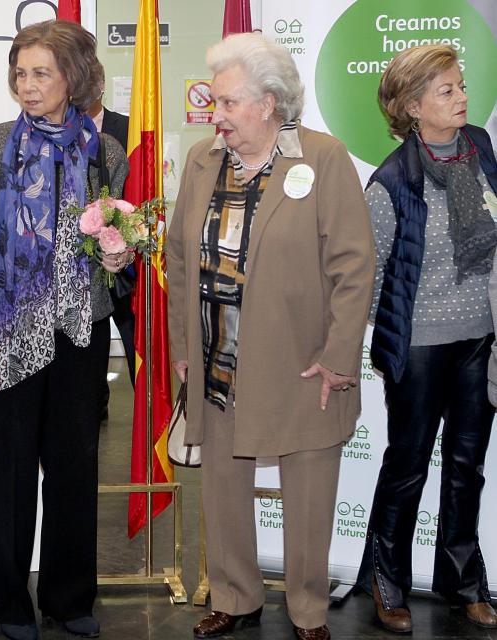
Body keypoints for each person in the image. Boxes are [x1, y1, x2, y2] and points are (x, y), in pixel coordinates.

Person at [167, 33, 374, 640]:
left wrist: (339, 357)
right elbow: (181, 261)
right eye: (215, 102)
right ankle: (235, 595)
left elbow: (353, 266)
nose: (217, 115)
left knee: (309, 490)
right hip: (219, 358)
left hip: (303, 363)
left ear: (270, 103)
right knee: (224, 487)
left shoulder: (321, 159)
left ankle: (308, 610)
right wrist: (185, 349)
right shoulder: (204, 161)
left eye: (229, 103)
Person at [0, 19, 129, 640]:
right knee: (9, 471)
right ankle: (9, 604)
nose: (27, 86)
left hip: (81, 332)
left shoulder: (106, 150)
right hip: (8, 331)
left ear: (73, 78)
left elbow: (120, 238)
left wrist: (118, 257)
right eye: (20, 74)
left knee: (76, 469)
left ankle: (69, 598)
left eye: (41, 74)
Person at [356, 44, 497, 633]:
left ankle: (463, 579)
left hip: (481, 339)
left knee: (467, 465)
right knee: (409, 464)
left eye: (461, 87)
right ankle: (388, 581)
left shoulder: (482, 152)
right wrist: (399, 333)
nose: (463, 98)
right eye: (447, 91)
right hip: (418, 346)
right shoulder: (392, 181)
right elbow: (368, 277)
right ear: (412, 106)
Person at [87, 61, 135, 421]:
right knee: (91, 351)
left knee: (135, 343)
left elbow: (143, 192)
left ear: (101, 84)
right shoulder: (57, 134)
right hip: (85, 267)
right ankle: (96, 407)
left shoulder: (127, 129)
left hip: (126, 264)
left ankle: (149, 420)